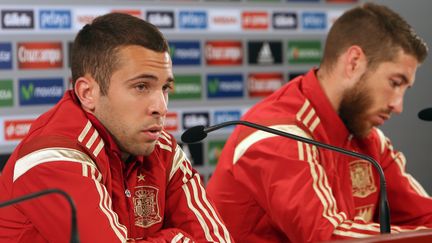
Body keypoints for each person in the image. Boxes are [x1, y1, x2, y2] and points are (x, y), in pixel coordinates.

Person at [206, 3, 432, 242]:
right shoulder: (278, 132)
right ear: (354, 62)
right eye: (395, 83)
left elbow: (425, 215)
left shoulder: (368, 137)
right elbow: (327, 237)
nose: (399, 106)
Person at [0, 13, 232, 243]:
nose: (161, 107)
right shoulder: (53, 155)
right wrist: (177, 238)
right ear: (87, 93)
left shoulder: (163, 150)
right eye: (141, 86)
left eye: (164, 88)